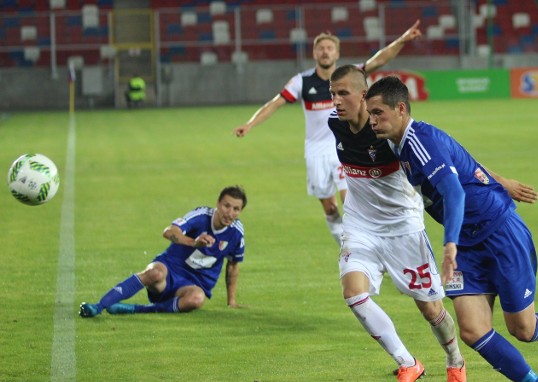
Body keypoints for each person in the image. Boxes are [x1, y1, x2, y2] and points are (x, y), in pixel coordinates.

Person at [363, 76, 538, 382]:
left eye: (378, 113)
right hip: (466, 243)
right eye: (370, 113)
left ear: (401, 109)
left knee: (523, 329)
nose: (372, 120)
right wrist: (500, 181)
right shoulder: (398, 142)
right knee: (473, 330)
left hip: (498, 232)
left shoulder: (420, 142)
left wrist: (448, 246)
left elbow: (455, 192)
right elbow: (464, 160)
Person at [328, 64, 467, 382]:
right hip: (360, 227)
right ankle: (407, 363)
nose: (336, 101)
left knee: (431, 310)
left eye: (343, 93)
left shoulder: (391, 134)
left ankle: (455, 359)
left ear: (363, 95)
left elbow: (443, 156)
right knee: (353, 293)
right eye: (332, 94)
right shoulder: (335, 125)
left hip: (404, 228)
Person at [234, 21, 424, 245]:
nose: (325, 52)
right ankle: (344, 243)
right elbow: (275, 103)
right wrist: (250, 124)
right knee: (330, 207)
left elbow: (379, 59)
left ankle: (361, 244)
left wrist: (402, 39)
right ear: (315, 53)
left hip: (344, 147)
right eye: (321, 48)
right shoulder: (302, 81)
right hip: (315, 152)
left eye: (329, 48)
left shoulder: (351, 76)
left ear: (337, 53)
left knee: (349, 200)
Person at [79, 186, 247, 317]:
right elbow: (168, 232)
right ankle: (98, 306)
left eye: (236, 209)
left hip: (193, 285)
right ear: (218, 203)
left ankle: (138, 310)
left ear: (240, 211)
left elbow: (233, 266)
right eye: (226, 206)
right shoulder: (202, 215)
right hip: (169, 269)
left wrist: (231, 301)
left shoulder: (236, 233)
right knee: (154, 273)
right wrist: (194, 242)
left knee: (197, 299)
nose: (229, 212)